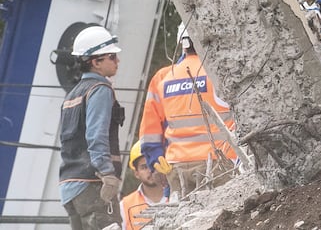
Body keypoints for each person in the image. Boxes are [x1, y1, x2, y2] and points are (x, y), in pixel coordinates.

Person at [138, 24, 238, 199]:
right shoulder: (219, 72)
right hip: (219, 165)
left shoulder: (165, 78)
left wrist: (155, 163)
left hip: (176, 169)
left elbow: (149, 132)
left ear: (182, 44)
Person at [58, 25, 125, 230]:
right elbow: (96, 136)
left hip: (69, 188)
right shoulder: (100, 89)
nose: (117, 61)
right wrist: (107, 174)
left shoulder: (72, 95)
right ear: (96, 62)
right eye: (112, 56)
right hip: (93, 184)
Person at [119, 142, 167, 230]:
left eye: (154, 164)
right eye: (144, 167)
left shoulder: (177, 197)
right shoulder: (125, 205)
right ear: (136, 173)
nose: (150, 170)